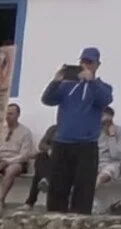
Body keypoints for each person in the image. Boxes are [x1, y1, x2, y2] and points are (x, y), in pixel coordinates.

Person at [40, 46, 112, 214]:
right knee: (58, 186)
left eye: (89, 62)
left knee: (83, 188)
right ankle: (55, 218)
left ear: (97, 65)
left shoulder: (102, 86)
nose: (85, 65)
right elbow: (47, 100)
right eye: (83, 61)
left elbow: (105, 99)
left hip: (86, 144)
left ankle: (80, 220)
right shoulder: (67, 86)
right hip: (62, 142)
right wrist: (55, 81)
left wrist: (91, 81)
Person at [0, 103, 34, 205]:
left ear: (18, 115)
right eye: (6, 114)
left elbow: (25, 155)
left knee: (12, 170)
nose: (8, 116)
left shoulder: (25, 132)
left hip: (16, 161)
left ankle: (1, 200)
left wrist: (7, 162)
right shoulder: (0, 130)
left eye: (11, 114)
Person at [24, 123, 57, 208]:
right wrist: (49, 149)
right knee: (40, 157)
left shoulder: (74, 132)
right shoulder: (53, 129)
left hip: (65, 162)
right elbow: (41, 144)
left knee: (38, 175)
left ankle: (30, 202)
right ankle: (45, 179)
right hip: (50, 160)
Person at [96, 107, 121, 185]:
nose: (105, 124)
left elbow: (115, 156)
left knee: (104, 174)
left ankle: (89, 192)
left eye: (108, 121)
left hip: (113, 164)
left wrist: (112, 136)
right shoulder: (94, 131)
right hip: (95, 163)